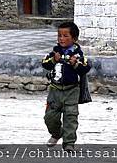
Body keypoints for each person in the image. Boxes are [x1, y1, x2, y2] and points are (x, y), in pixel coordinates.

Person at [41, 21, 91, 151]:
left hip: (71, 91)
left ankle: (69, 143)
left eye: (65, 36)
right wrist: (53, 60)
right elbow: (45, 63)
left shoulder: (78, 55)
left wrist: (75, 64)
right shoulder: (54, 52)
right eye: (59, 36)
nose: (61, 39)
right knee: (50, 117)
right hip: (55, 91)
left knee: (71, 117)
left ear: (74, 39)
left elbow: (86, 68)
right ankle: (57, 133)